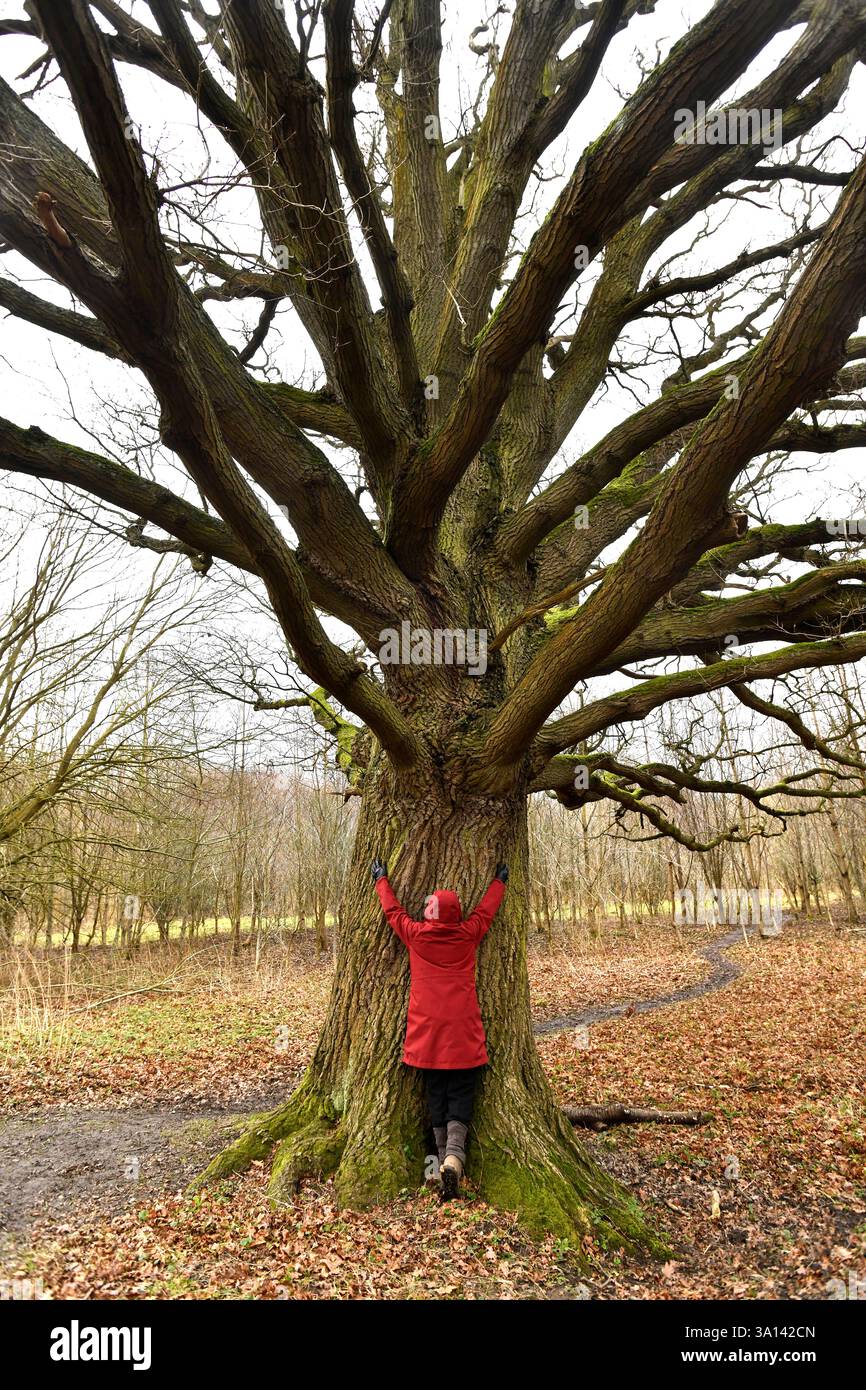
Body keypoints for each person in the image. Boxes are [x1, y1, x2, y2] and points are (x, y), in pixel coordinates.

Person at [371, 856, 509, 1199]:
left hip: (428, 1034)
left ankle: (437, 1169)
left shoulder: (417, 935)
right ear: (455, 914)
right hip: (462, 1033)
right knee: (461, 1094)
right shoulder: (466, 935)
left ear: (429, 913)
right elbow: (485, 914)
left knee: (435, 1095)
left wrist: (381, 880)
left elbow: (394, 914)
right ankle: (453, 1161)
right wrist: (499, 882)